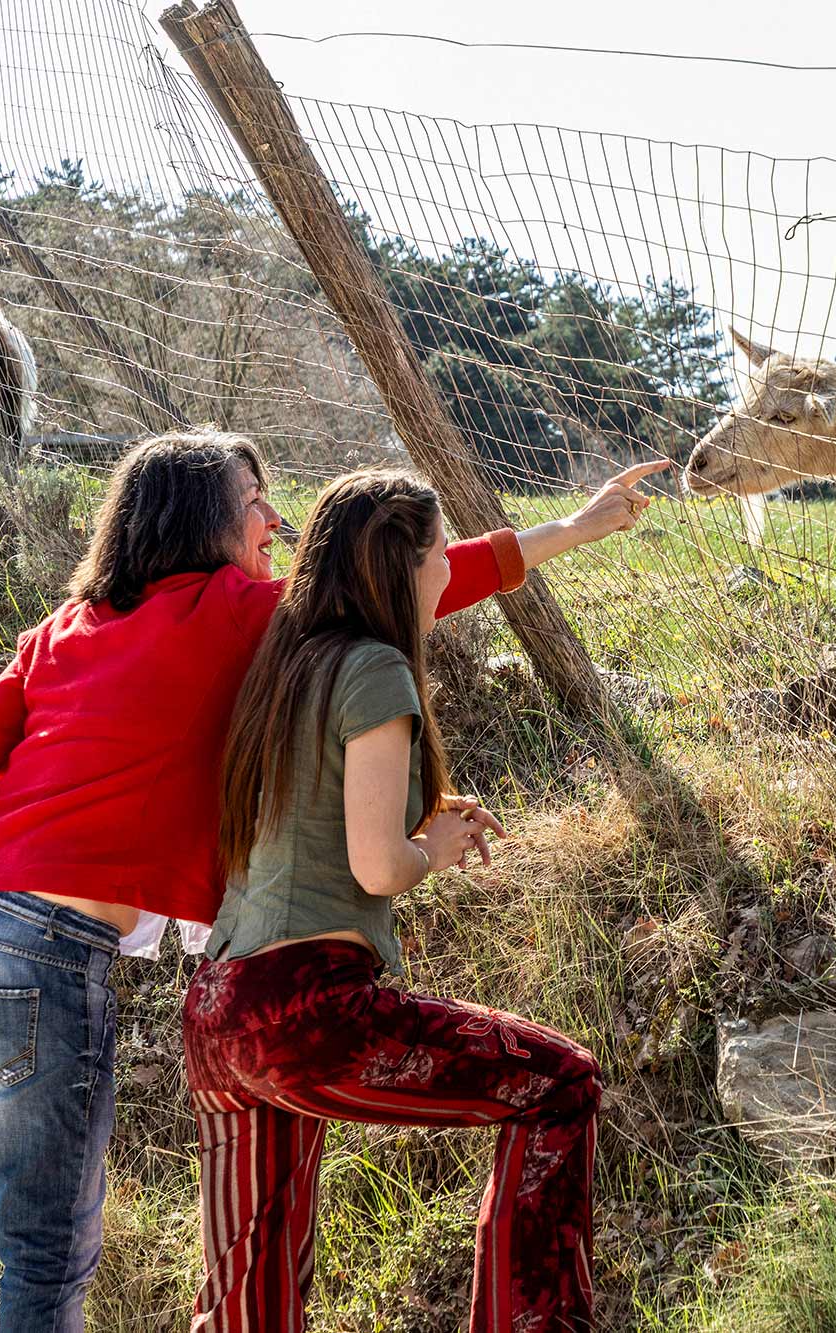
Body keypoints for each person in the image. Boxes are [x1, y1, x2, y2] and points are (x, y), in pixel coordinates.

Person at [0, 430, 664, 1333]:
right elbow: (400, 583)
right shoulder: (239, 611)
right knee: (49, 1242)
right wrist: (575, 528)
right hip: (62, 952)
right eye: (256, 500)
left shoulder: (62, 630)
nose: (275, 520)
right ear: (206, 519)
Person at [184, 469, 603, 1333]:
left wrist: (419, 817)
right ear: (400, 567)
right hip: (308, 1007)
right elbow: (378, 867)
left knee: (250, 1293)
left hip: (219, 1013)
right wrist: (432, 848)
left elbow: (319, 814)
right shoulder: (376, 669)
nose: (449, 567)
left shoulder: (285, 662)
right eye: (440, 551)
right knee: (561, 1083)